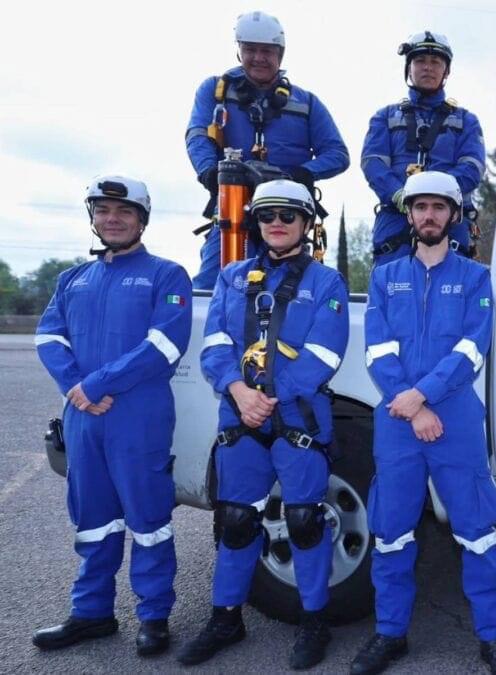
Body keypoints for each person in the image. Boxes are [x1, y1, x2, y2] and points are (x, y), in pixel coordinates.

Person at [352, 172, 496, 675]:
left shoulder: (475, 278)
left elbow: (472, 348)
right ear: (409, 216)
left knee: (477, 531)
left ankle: (493, 638)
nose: (429, 216)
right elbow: (378, 349)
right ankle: (390, 634)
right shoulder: (385, 276)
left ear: (454, 216)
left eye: (438, 208)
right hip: (399, 419)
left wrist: (422, 397)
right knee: (391, 532)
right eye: (420, 207)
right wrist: (411, 404)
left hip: (453, 419)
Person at [178, 179, 349, 670]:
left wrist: (269, 398)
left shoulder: (326, 283)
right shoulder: (232, 279)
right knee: (236, 520)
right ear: (256, 222)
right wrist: (238, 391)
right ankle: (226, 619)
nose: (277, 223)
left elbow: (325, 351)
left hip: (296, 418)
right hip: (240, 416)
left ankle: (315, 621)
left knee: (306, 521)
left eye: (288, 216)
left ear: (305, 223)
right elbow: (215, 345)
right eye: (268, 215)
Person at [33, 175, 193, 657]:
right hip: (84, 417)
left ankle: (154, 616)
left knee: (149, 519)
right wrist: (75, 389)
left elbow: (164, 345)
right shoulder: (72, 279)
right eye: (103, 211)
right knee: (92, 520)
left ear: (142, 219)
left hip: (137, 418)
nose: (112, 219)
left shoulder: (168, 274)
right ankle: (92, 613)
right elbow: (49, 337)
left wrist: (95, 385)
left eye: (123, 212)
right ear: (93, 218)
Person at [186, 10, 350, 290]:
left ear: (280, 55)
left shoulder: (307, 102)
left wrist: (302, 174)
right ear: (239, 51)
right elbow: (197, 134)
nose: (259, 58)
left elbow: (337, 154)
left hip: (286, 211)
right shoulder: (215, 91)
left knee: (291, 284)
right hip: (233, 205)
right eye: (250, 49)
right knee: (213, 282)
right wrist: (209, 172)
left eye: (267, 51)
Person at [361, 31, 485, 266]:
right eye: (420, 61)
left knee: (454, 292)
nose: (427, 67)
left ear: (446, 71)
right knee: (390, 290)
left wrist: (436, 195)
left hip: (451, 221)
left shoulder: (467, 120)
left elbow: (472, 168)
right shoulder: (384, 117)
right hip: (396, 219)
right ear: (409, 68)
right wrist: (400, 195)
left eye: (435, 62)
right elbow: (373, 164)